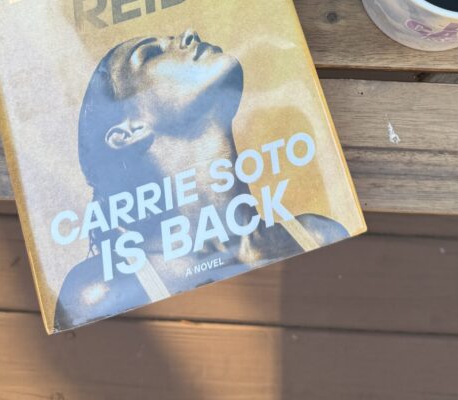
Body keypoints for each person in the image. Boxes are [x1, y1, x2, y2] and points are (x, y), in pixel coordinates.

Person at [54, 29, 347, 329]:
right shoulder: (96, 293)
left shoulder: (316, 234)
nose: (189, 34)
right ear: (129, 132)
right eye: (150, 54)